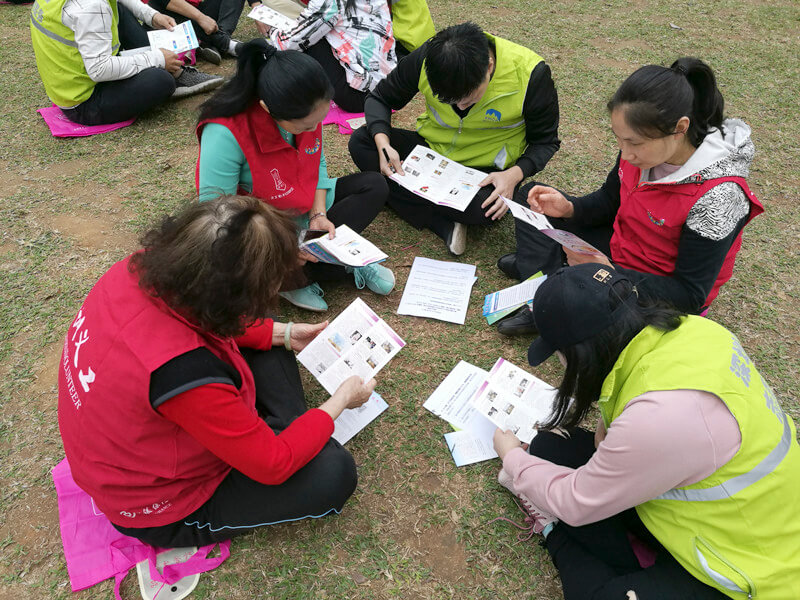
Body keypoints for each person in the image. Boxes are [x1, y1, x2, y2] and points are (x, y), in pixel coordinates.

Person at [58, 195, 377, 548]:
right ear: (230, 295)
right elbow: (272, 465)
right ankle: (290, 435)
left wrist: (283, 334)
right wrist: (340, 402)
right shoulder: (183, 373)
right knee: (333, 475)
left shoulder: (138, 270)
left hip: (148, 431)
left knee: (269, 340)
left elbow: (210, 322)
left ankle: (287, 433)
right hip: (161, 505)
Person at [491, 263, 800, 600]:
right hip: (706, 510)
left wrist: (514, 460)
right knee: (551, 446)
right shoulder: (695, 332)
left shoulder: (660, 419)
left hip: (744, 566)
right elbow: (618, 422)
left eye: (560, 356)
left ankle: (552, 529)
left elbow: (577, 501)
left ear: (582, 353)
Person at [496, 57, 763, 336]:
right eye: (619, 139)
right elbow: (610, 202)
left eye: (634, 143)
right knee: (531, 198)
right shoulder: (641, 153)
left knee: (598, 317)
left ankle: (548, 281)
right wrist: (569, 208)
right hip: (621, 246)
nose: (625, 153)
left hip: (656, 284)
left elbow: (689, 295)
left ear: (680, 129)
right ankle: (548, 275)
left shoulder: (719, 197)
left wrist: (607, 273)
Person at [196, 39, 393, 312]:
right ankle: (308, 275)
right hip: (262, 228)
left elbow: (317, 163)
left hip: (302, 207)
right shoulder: (225, 132)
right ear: (268, 109)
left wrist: (318, 215)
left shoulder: (305, 110)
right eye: (306, 125)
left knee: (374, 185)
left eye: (319, 121)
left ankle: (325, 264)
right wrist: (279, 248)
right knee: (235, 267)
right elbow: (217, 217)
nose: (315, 127)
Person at [349, 21, 560, 255]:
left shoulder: (531, 74)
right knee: (363, 142)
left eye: (469, 99)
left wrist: (513, 175)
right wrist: (384, 144)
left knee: (486, 209)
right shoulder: (428, 58)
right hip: (430, 152)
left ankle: (404, 197)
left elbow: (545, 141)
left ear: (489, 67)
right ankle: (442, 222)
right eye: (451, 101)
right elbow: (380, 98)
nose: (460, 106)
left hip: (486, 172)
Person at [30, 0, 224, 126]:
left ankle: (173, 70)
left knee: (118, 8)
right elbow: (99, 69)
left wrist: (151, 15)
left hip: (68, 82)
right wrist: (156, 58)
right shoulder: (92, 8)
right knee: (161, 81)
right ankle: (173, 76)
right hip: (84, 101)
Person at [262, 0, 397, 113]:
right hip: (388, 85)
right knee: (312, 32)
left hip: (359, 96)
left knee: (308, 40)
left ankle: (288, 93)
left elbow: (288, 44)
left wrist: (271, 30)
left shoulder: (329, 2)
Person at [145, 0, 248, 62]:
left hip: (200, 12)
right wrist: (200, 18)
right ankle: (225, 44)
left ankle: (217, 38)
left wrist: (256, 4)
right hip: (170, 19)